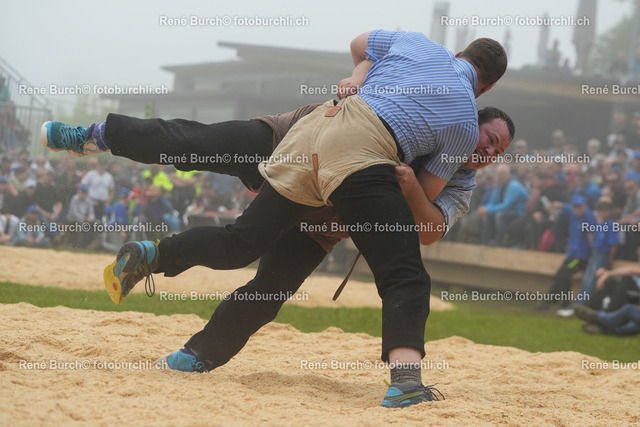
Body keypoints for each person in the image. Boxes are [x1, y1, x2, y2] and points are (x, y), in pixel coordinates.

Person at [42, 29, 511, 408]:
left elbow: (428, 227)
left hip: (329, 204)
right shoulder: (450, 114)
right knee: (197, 143)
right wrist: (358, 75)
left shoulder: (459, 169)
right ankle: (95, 135)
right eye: (488, 139)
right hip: (302, 137)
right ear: (480, 98)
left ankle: (193, 344)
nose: (488, 151)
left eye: (497, 151)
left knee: (265, 281)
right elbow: (364, 53)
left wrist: (407, 184)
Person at [536, 194, 595, 311]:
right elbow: (560, 207)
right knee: (561, 275)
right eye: (576, 207)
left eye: (580, 206)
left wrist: (593, 253)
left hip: (580, 258)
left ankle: (555, 302)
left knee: (564, 272)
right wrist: (556, 205)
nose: (578, 209)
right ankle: (555, 301)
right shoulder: (572, 213)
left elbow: (591, 235)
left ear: (584, 206)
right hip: (572, 255)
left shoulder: (588, 216)